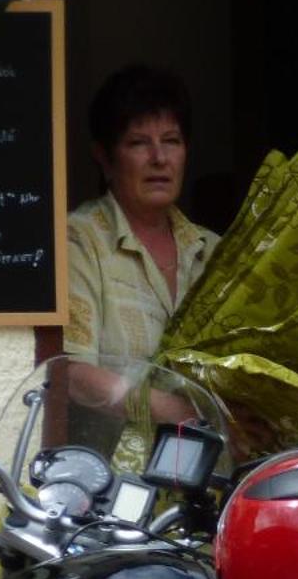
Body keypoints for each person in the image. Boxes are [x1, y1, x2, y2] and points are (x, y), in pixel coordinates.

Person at [64, 65, 219, 365]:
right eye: (138, 143)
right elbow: (74, 374)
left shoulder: (215, 252)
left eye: (171, 141)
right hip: (122, 415)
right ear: (104, 158)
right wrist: (176, 410)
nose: (159, 158)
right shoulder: (79, 240)